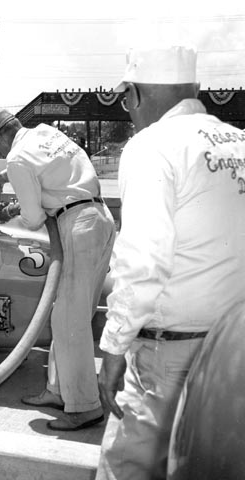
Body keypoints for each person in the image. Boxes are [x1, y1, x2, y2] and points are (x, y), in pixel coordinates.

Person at [96, 45, 245, 480]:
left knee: (125, 468)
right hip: (233, 351)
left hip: (171, 354)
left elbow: (143, 261)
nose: (127, 110)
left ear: (136, 95)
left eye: (126, 98)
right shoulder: (239, 142)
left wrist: (114, 347)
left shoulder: (152, 147)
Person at [0, 109, 115, 431]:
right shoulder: (44, 133)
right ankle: (59, 390)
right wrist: (3, 178)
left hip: (77, 225)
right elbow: (46, 165)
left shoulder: (16, 158)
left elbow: (33, 218)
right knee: (70, 315)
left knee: (69, 321)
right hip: (99, 218)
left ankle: (85, 407)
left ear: (0, 137)